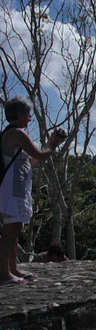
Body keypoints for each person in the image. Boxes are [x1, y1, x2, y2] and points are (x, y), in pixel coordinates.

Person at [1, 99, 65, 286]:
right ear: (19, 114)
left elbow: (33, 162)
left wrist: (52, 142)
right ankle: (3, 273)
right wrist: (54, 144)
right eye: (28, 114)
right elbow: (41, 154)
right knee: (10, 230)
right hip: (10, 188)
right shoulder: (16, 133)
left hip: (18, 188)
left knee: (16, 228)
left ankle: (12, 268)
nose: (30, 118)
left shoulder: (14, 134)